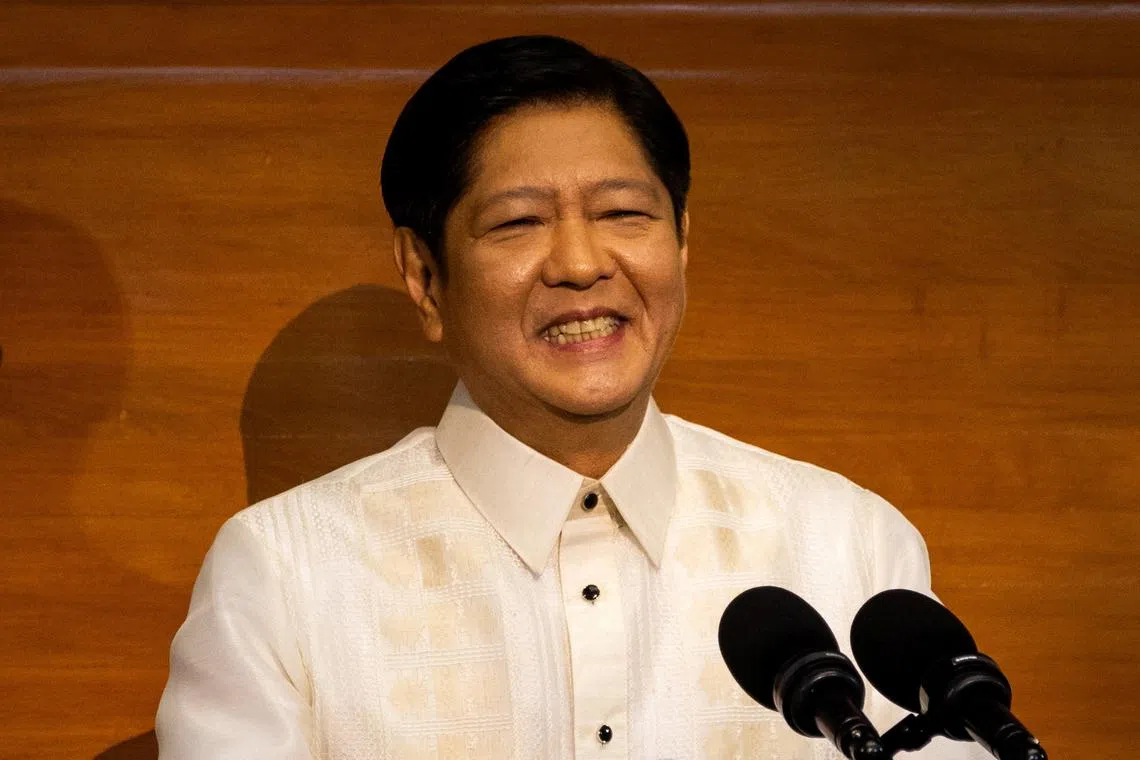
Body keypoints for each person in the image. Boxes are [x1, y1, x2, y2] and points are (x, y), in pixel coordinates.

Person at [156, 35, 988, 760]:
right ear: (424, 276)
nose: (582, 264)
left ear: (683, 240)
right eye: (518, 223)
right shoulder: (285, 574)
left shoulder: (849, 546)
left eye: (623, 212)